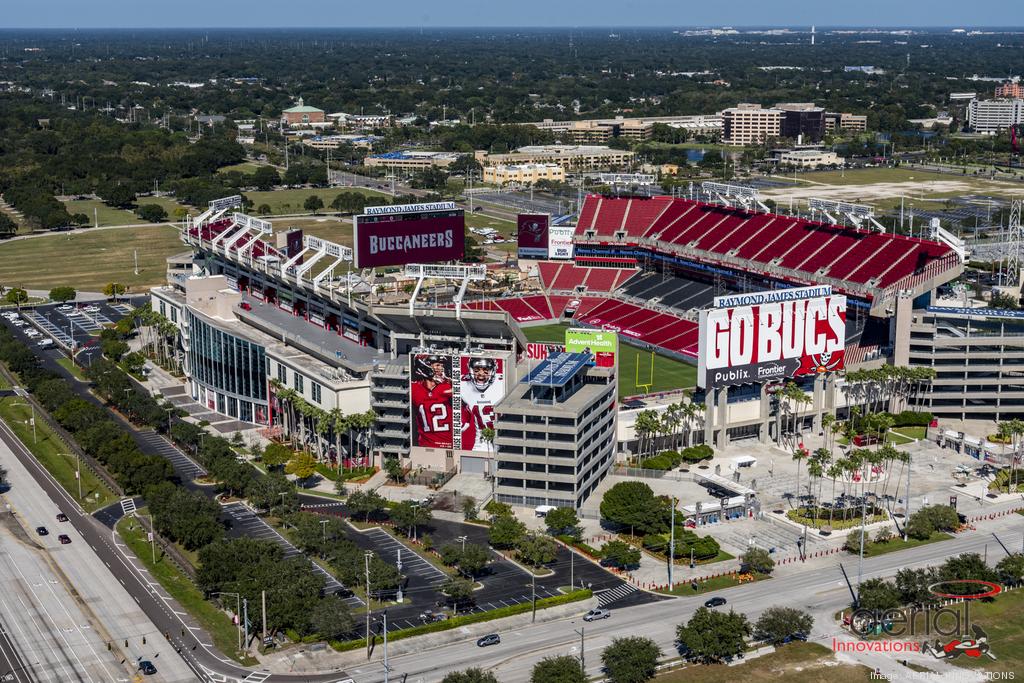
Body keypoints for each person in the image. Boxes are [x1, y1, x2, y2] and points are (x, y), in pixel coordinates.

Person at [460, 357, 503, 452]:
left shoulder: (503, 383)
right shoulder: (462, 384)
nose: (481, 374)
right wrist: (465, 418)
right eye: (476, 370)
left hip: (504, 436)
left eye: (485, 370)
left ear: (493, 371)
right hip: (482, 440)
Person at [410, 354, 453, 449]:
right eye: (437, 365)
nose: (441, 369)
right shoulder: (414, 388)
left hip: (449, 444)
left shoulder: (448, 387)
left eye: (442, 366)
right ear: (424, 366)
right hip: (425, 445)